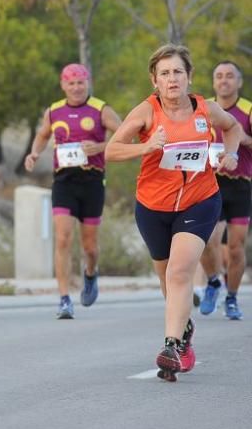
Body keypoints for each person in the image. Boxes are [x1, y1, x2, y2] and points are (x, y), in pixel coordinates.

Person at [105, 44, 242, 382]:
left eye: (177, 72)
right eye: (164, 73)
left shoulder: (205, 109)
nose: (172, 79)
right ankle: (185, 327)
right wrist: (146, 146)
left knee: (180, 272)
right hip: (152, 206)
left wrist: (232, 153)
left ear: (189, 76)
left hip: (200, 200)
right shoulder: (146, 113)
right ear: (155, 80)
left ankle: (173, 347)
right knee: (167, 279)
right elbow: (112, 150)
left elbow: (234, 128)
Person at [25, 63, 122, 319]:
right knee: (63, 238)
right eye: (71, 83)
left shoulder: (101, 109)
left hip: (92, 182)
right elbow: (42, 135)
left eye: (80, 82)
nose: (76, 87)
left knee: (89, 247)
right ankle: (65, 299)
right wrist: (34, 153)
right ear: (63, 85)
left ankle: (90, 273)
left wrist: (100, 147)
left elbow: (125, 134)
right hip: (64, 182)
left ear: (87, 83)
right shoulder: (54, 111)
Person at [197, 61, 252, 320]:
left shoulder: (248, 109)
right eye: (219, 76)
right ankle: (212, 282)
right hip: (210, 182)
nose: (224, 81)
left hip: (240, 184)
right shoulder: (203, 107)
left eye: (230, 76)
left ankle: (231, 298)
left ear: (239, 82)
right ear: (213, 81)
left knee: (236, 248)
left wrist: (244, 140)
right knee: (206, 241)